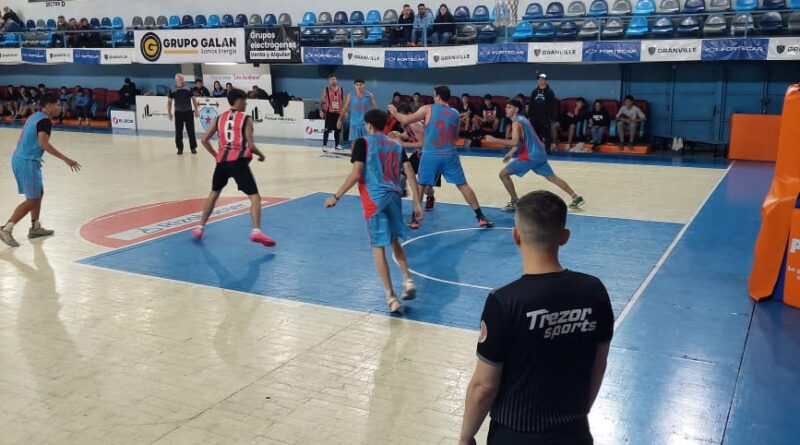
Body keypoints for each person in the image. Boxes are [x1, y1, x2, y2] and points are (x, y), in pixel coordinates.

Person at [457, 190, 612, 445]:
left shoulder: (504, 302)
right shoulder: (594, 291)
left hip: (515, 435)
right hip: (574, 433)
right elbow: (599, 364)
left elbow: (484, 387)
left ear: (516, 236)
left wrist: (466, 436)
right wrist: (577, 414)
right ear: (564, 237)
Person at [324, 109, 424, 313]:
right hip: (394, 197)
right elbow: (409, 172)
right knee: (395, 240)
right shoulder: (396, 144)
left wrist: (336, 196)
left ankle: (391, 297)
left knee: (378, 247)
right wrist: (416, 202)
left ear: (368, 125)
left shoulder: (363, 143)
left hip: (375, 199)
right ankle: (408, 279)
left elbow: (356, 174)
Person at [389, 85, 494, 228]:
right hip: (449, 154)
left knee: (421, 186)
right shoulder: (455, 113)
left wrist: (394, 112)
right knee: (463, 185)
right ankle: (480, 216)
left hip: (431, 154)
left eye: (434, 95)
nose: (433, 98)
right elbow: (456, 136)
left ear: (438, 96)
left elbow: (406, 120)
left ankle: (415, 220)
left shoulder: (428, 109)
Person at [191, 88, 275, 247]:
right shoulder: (246, 119)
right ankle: (256, 230)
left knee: (214, 193)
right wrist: (261, 155)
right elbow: (250, 145)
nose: (246, 104)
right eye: (245, 101)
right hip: (238, 162)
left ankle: (200, 227)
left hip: (222, 163)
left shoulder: (220, 117)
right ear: (239, 101)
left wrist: (216, 155)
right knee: (254, 197)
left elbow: (204, 140)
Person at [0, 94, 81, 248]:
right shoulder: (45, 121)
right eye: (57, 105)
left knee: (38, 193)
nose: (60, 108)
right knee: (32, 199)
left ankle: (35, 227)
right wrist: (65, 159)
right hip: (26, 162)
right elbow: (43, 144)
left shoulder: (35, 116)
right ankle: (6, 229)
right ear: (48, 106)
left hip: (24, 159)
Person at [484, 100, 585, 211]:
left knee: (503, 174)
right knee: (552, 177)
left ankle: (515, 201)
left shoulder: (516, 123)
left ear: (516, 109)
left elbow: (514, 141)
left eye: (509, 107)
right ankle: (576, 197)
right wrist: (511, 152)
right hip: (540, 153)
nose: (506, 109)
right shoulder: (523, 119)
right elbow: (523, 140)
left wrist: (495, 140)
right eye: (506, 107)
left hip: (530, 156)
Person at [389, 103, 439, 222]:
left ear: (408, 114)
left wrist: (404, 144)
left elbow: (424, 144)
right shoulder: (408, 124)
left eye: (401, 115)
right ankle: (403, 191)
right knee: (401, 176)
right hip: (418, 155)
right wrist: (400, 136)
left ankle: (430, 196)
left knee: (426, 189)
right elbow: (409, 134)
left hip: (431, 156)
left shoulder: (414, 124)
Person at [167, 73, 199, 155]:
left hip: (188, 112)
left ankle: (193, 148)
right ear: (176, 80)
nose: (182, 81)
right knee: (178, 132)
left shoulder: (188, 88)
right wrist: (169, 112)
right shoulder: (172, 90)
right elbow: (169, 102)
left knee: (191, 131)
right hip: (178, 113)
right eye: (180, 79)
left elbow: (194, 100)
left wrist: (196, 110)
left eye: (182, 79)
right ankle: (180, 148)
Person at [338, 78, 379, 143]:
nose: (359, 86)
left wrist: (377, 121)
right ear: (354, 86)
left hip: (366, 124)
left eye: (360, 85)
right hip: (354, 124)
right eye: (357, 85)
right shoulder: (350, 95)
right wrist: (339, 119)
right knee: (354, 144)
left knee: (367, 143)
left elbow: (376, 109)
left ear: (364, 85)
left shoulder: (369, 95)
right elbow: (345, 107)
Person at [528, 73, 557, 151]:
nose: (540, 81)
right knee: (535, 134)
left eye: (542, 79)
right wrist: (530, 115)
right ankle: (536, 149)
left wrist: (551, 118)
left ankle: (547, 150)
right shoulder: (534, 92)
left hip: (545, 117)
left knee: (546, 134)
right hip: (534, 117)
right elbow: (531, 104)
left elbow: (552, 106)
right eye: (539, 80)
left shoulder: (550, 92)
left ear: (546, 81)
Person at [320, 73, 344, 150]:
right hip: (329, 113)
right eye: (330, 80)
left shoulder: (341, 89)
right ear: (329, 81)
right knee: (327, 130)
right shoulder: (326, 89)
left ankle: (337, 145)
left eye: (334, 79)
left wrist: (345, 111)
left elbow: (343, 101)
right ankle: (324, 145)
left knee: (337, 130)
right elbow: (321, 101)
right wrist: (321, 110)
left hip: (338, 113)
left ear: (336, 80)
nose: (332, 81)